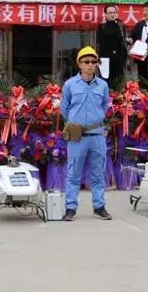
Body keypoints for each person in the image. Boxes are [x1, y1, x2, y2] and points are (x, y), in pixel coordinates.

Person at [60, 46, 111, 221]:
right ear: (79, 64)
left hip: (97, 135)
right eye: (86, 61)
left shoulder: (103, 85)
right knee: (73, 173)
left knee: (98, 174)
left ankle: (99, 207)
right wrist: (76, 124)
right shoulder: (70, 85)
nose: (90, 65)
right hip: (77, 136)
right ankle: (70, 208)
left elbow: (104, 106)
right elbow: (65, 109)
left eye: (93, 62)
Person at [96, 4, 128, 88]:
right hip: (105, 58)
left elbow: (123, 41)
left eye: (114, 12)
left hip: (118, 57)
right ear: (105, 14)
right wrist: (98, 56)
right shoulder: (101, 26)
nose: (113, 14)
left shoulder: (120, 25)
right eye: (110, 13)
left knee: (118, 82)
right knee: (106, 82)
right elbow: (98, 43)